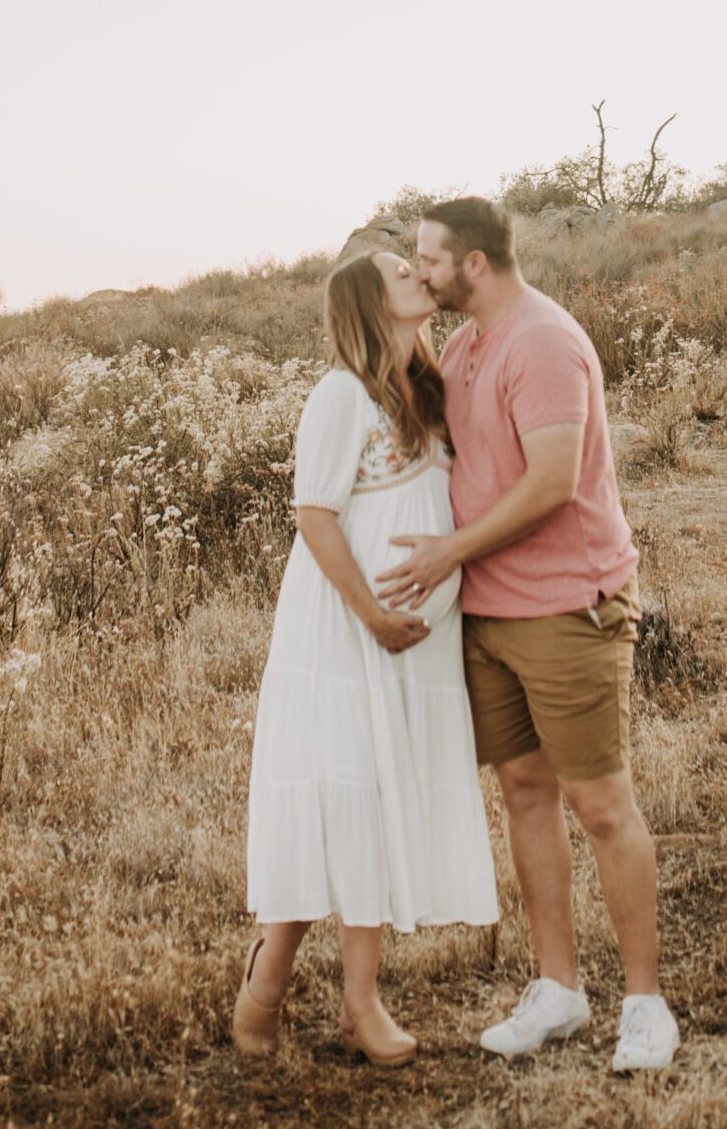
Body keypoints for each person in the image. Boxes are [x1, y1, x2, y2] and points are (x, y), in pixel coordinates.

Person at [378, 196, 680, 1075]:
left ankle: (645, 1005)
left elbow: (551, 482)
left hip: (565, 608)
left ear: (473, 262)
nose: (422, 272)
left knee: (600, 805)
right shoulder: (468, 344)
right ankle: (558, 990)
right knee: (522, 791)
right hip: (491, 612)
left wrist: (445, 556)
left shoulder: (540, 341)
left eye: (430, 259)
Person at [235, 247, 499, 1065]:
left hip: (418, 644)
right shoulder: (340, 395)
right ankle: (267, 982)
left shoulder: (427, 387)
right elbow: (313, 517)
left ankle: (360, 1003)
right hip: (345, 630)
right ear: (365, 302)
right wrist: (373, 617)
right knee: (337, 791)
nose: (421, 275)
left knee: (382, 799)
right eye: (400, 272)